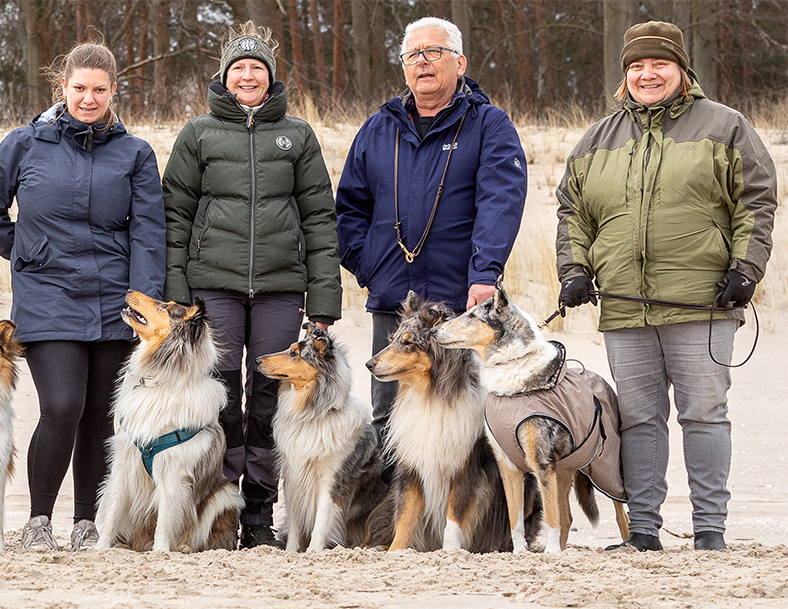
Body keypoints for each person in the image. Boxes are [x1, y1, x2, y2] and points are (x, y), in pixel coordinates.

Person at [556, 21, 777, 552]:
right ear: (625, 73)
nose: (647, 74)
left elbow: (757, 201)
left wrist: (746, 270)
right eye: (637, 65)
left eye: (660, 64)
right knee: (638, 420)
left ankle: (710, 533)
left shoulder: (725, 126)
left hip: (703, 302)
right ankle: (646, 531)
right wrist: (574, 271)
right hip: (626, 306)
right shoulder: (597, 137)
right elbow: (573, 213)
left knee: (704, 415)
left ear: (682, 70)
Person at [162, 22, 341, 549]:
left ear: (269, 78)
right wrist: (176, 290)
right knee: (219, 398)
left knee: (268, 399)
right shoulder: (197, 134)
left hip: (282, 289)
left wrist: (324, 300)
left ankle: (261, 515)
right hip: (211, 287)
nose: (247, 75)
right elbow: (175, 216)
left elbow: (319, 221)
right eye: (238, 68)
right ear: (224, 77)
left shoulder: (298, 135)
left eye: (256, 68)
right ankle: (221, 513)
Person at [0, 42, 166, 551]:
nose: (89, 99)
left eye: (99, 90)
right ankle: (39, 521)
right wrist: (24, 248)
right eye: (80, 88)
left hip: (115, 298)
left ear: (114, 91)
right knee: (63, 405)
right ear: (61, 88)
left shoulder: (134, 153)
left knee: (99, 414)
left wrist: (143, 301)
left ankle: (88, 523)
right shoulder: (24, 144)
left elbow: (149, 232)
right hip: (47, 294)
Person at [335, 16, 526, 444]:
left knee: (462, 419)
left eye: (433, 52)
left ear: (459, 62)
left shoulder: (489, 125)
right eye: (412, 55)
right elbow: (349, 208)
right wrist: (370, 268)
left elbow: (501, 202)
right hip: (392, 302)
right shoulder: (377, 128)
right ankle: (395, 513)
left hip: (459, 304)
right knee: (390, 418)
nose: (422, 62)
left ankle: (461, 513)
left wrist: (483, 274)